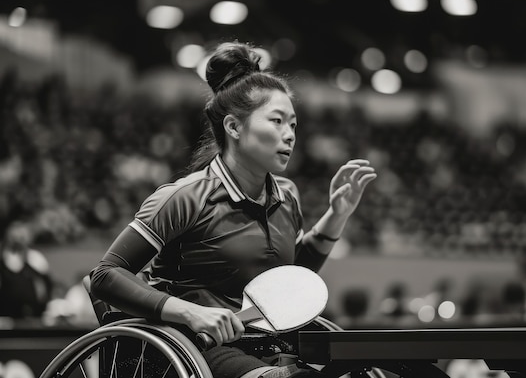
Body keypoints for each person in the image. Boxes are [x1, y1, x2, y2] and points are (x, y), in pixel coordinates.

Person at [90, 41, 377, 378]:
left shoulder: (287, 195)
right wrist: (190, 312)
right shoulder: (185, 197)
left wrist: (337, 215)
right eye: (277, 121)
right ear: (234, 127)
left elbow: (289, 278)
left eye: (294, 125)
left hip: (270, 345)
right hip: (196, 347)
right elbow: (105, 276)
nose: (289, 135)